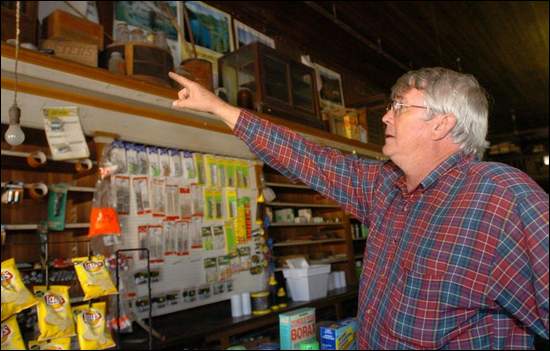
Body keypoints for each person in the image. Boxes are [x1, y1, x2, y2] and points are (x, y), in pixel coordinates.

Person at [168, 67, 548, 349]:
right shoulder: (385, 187)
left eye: (399, 106)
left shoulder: (499, 196)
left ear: (441, 124)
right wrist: (219, 107)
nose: (385, 116)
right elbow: (308, 158)